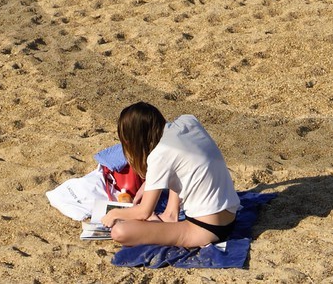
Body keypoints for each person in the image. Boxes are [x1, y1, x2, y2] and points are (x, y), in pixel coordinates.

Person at [100, 103, 239, 249]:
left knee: (119, 232)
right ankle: (170, 214)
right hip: (229, 213)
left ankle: (169, 217)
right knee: (182, 164)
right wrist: (148, 183)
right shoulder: (188, 121)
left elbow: (144, 212)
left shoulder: (159, 155)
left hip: (205, 229)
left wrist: (114, 213)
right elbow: (180, 160)